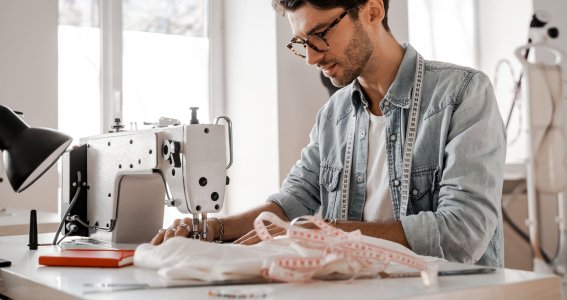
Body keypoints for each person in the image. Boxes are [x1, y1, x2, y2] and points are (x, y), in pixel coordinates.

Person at [151, 0, 506, 267]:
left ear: (372, 10)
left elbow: (463, 234)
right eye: (301, 42)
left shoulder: (463, 94)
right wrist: (208, 230)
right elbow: (289, 206)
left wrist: (329, 235)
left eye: (320, 34)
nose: (310, 58)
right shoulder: (332, 116)